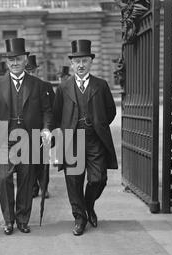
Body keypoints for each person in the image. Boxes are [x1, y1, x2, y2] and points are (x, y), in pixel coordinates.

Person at [0, 38, 53, 235]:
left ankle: (22, 219)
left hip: (29, 140)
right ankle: (8, 220)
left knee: (26, 180)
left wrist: (47, 129)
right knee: (4, 177)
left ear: (25, 60)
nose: (14, 62)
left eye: (18, 59)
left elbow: (47, 111)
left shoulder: (38, 85)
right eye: (11, 59)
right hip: (4, 140)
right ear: (7, 62)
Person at [53, 39, 118, 236]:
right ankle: (79, 218)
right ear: (72, 64)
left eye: (84, 61)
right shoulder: (63, 87)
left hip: (94, 139)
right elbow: (56, 114)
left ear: (91, 62)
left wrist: (97, 124)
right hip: (72, 141)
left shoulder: (101, 85)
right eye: (77, 61)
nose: (81, 65)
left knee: (98, 179)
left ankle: (89, 205)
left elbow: (110, 111)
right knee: (73, 181)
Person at [25, 55, 55, 199]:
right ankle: (33, 187)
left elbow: (53, 108)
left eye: (33, 71)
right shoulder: (22, 88)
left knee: (43, 162)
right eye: (28, 71)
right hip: (26, 132)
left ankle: (44, 187)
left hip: (42, 130)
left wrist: (49, 128)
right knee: (30, 161)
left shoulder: (45, 86)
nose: (31, 74)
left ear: (37, 71)